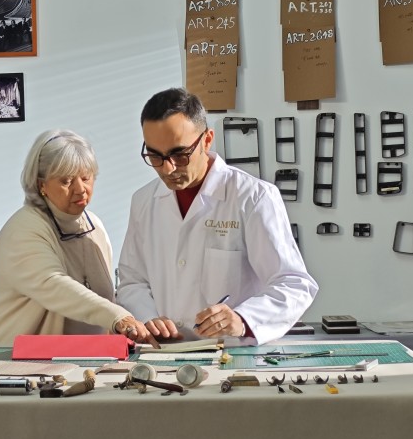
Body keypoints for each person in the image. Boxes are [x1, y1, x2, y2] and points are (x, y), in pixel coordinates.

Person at [117, 88, 318, 345]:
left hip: (230, 353)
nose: (168, 169)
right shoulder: (143, 201)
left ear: (207, 140)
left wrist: (242, 320)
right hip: (164, 352)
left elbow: (294, 283)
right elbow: (132, 281)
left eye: (180, 155)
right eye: (155, 156)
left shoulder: (253, 197)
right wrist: (148, 318)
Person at [0, 130, 155, 348]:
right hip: (3, 358)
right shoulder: (25, 228)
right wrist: (118, 317)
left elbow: (105, 299)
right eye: (66, 181)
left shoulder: (94, 225)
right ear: (41, 185)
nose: (80, 189)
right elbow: (54, 285)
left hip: (74, 358)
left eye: (86, 178)